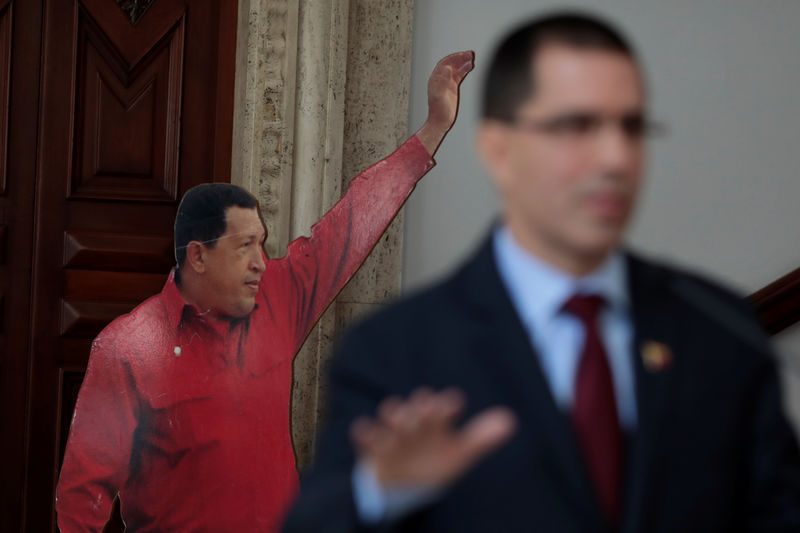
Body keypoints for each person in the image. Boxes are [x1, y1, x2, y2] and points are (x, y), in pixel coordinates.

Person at [283, 12, 800, 533]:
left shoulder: (720, 330)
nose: (614, 158)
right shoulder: (394, 351)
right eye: (576, 126)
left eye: (631, 127)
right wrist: (379, 494)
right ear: (499, 148)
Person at [55, 51, 475, 532]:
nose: (261, 261)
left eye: (263, 243)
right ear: (197, 256)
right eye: (244, 247)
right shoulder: (127, 348)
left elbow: (352, 220)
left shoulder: (279, 294)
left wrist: (434, 128)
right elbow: (82, 495)